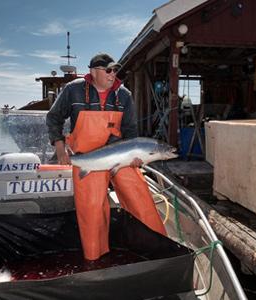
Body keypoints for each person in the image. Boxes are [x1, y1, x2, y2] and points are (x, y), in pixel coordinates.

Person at [47, 53, 167, 261]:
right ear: (93, 72)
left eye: (115, 70)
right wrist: (60, 147)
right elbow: (54, 117)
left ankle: (159, 250)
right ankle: (96, 259)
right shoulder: (73, 90)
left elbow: (130, 133)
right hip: (87, 159)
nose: (113, 74)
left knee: (140, 197)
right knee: (92, 210)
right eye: (108, 70)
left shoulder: (124, 95)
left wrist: (136, 158)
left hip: (120, 156)